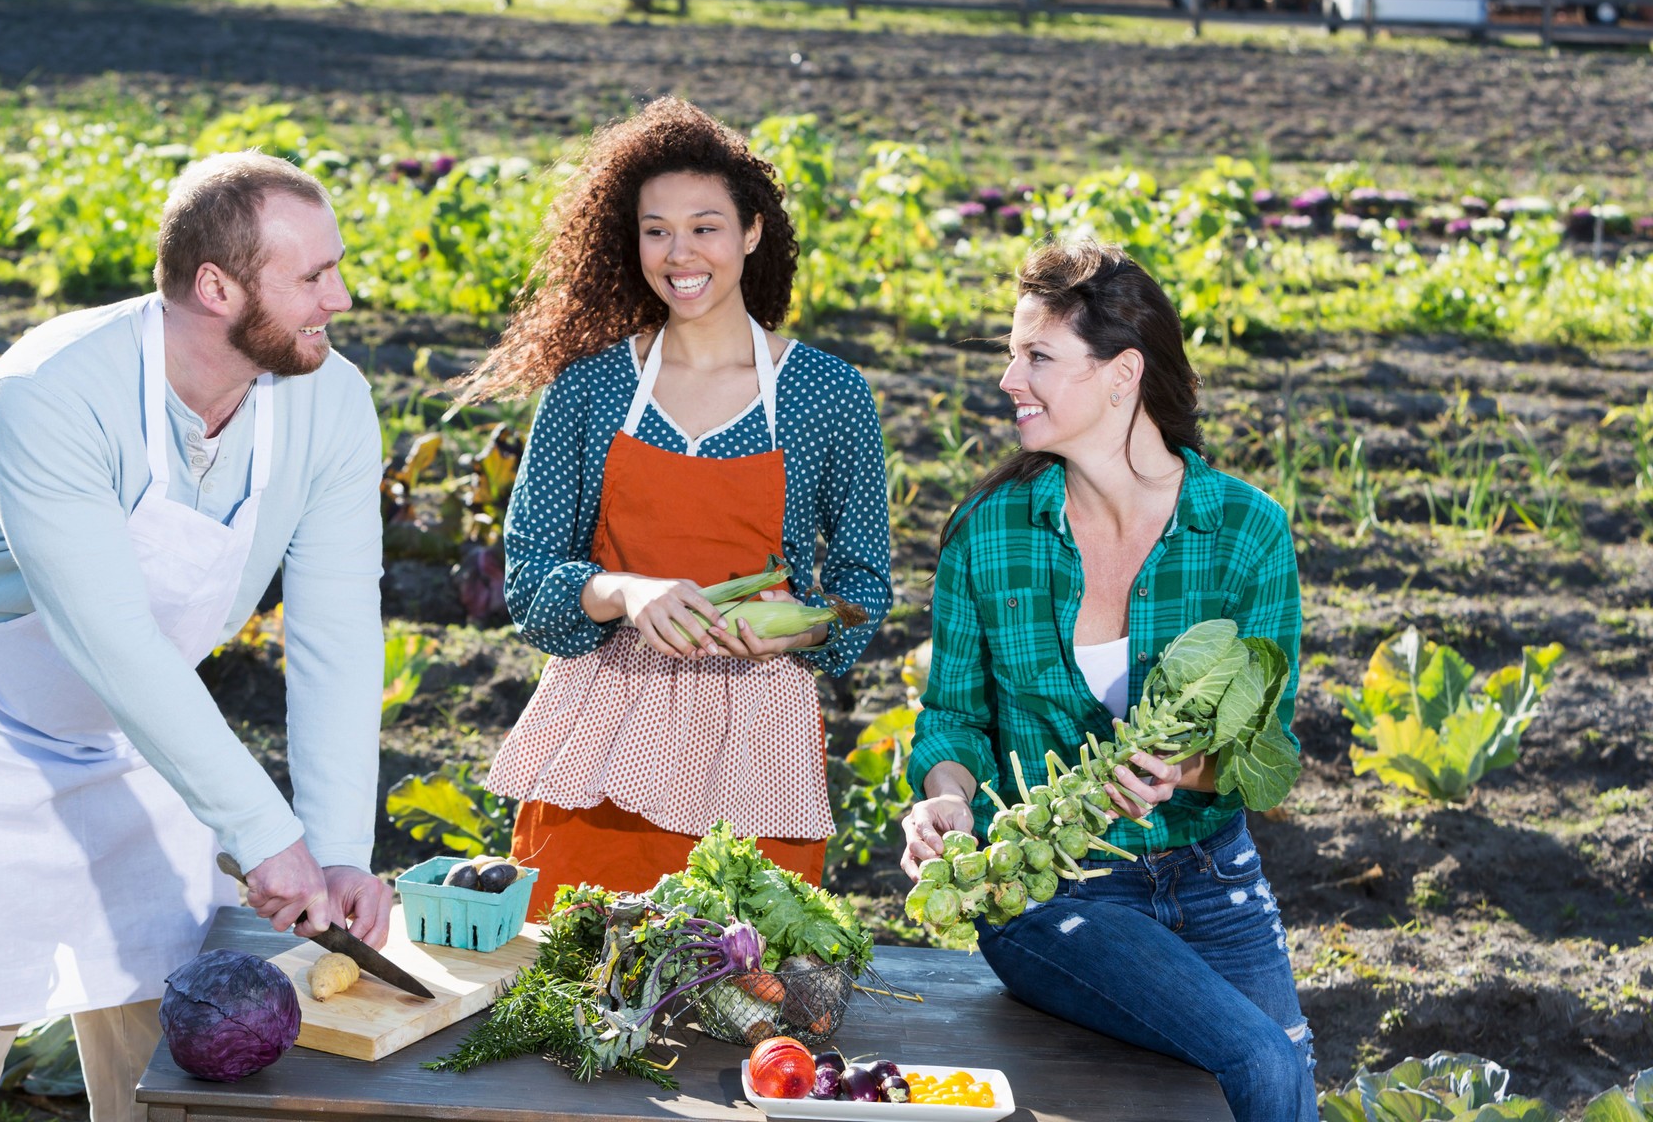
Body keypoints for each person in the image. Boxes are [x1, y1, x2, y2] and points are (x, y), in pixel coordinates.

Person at [0, 152, 391, 1122]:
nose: (341, 298)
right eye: (313, 276)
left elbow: (338, 631)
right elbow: (111, 640)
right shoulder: (51, 389)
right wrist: (266, 836)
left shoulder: (331, 398)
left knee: (175, 1056)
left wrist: (337, 850)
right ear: (216, 286)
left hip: (138, 743)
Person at [897, 242, 1313, 1120]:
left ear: (1123, 374)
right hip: (1051, 884)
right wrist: (946, 795)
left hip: (1213, 871)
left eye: (1038, 356)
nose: (1011, 378)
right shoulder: (993, 529)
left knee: (1285, 1088)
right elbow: (955, 718)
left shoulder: (1244, 530)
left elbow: (1262, 752)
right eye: (1014, 354)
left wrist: (1186, 771)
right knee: (1258, 1063)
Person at [457, 97, 891, 916]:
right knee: (572, 979)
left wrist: (788, 627)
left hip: (755, 740)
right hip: (603, 727)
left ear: (752, 232)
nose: (679, 253)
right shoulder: (590, 389)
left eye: (705, 227)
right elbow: (531, 580)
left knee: (744, 981)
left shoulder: (827, 394)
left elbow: (863, 590)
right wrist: (625, 592)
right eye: (656, 230)